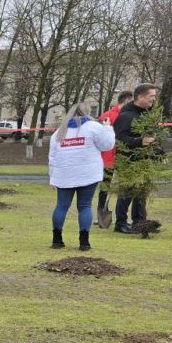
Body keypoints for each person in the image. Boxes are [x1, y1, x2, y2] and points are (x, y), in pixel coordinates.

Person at [48, 105, 115, 251]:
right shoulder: (94, 127)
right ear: (87, 112)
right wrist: (108, 128)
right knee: (84, 206)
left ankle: (57, 239)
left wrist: (52, 176)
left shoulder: (60, 132)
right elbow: (107, 146)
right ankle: (84, 242)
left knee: (61, 206)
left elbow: (52, 157)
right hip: (88, 174)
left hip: (64, 175)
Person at [113, 83, 161, 234]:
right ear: (140, 96)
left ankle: (139, 222)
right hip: (128, 160)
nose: (153, 100)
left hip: (145, 160)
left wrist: (159, 151)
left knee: (142, 192)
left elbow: (153, 137)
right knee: (127, 192)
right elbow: (119, 139)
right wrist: (139, 141)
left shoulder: (148, 114)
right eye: (151, 96)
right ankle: (120, 223)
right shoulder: (126, 116)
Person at [96, 90, 133, 228]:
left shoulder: (130, 115)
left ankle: (122, 216)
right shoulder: (107, 116)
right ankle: (100, 214)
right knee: (105, 186)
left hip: (124, 157)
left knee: (124, 187)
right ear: (125, 101)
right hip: (108, 158)